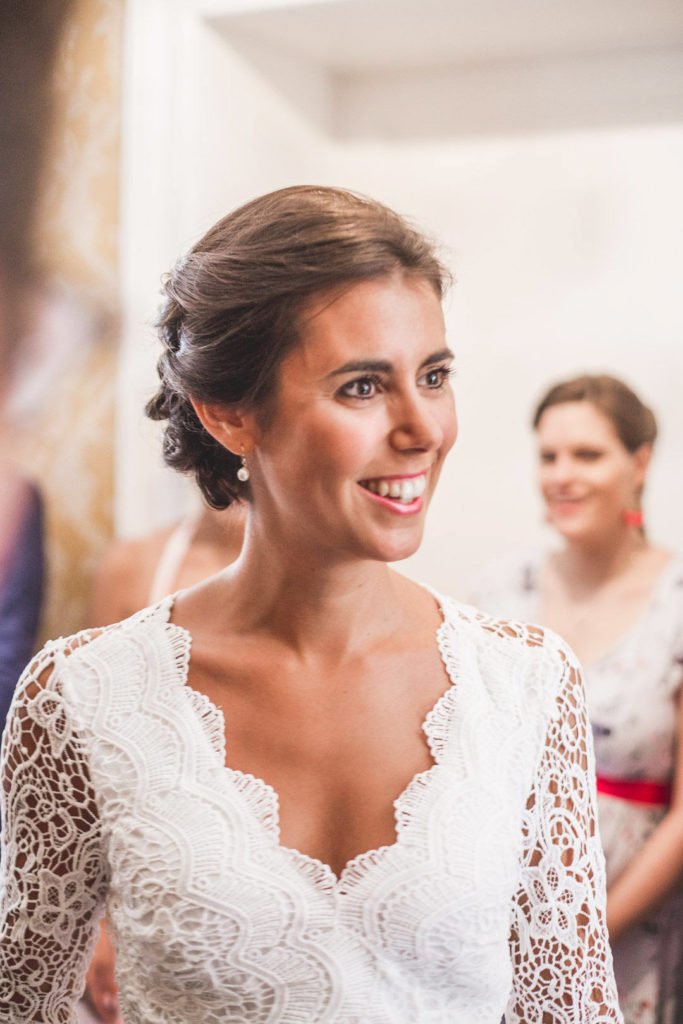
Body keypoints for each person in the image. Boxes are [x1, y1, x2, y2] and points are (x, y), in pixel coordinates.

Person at [0, 186, 621, 1022]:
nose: (422, 428)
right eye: (362, 387)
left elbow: (570, 1013)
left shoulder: (525, 685)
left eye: (432, 376)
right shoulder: (84, 696)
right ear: (229, 414)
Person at [472, 374, 683, 1024]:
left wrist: (583, 937)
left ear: (638, 462)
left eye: (586, 455)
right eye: (549, 455)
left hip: (627, 915)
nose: (562, 475)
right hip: (499, 913)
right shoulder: (504, 590)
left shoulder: (675, 599)